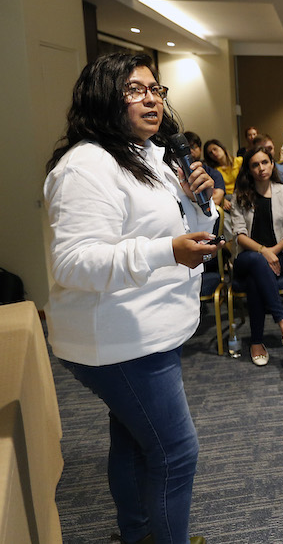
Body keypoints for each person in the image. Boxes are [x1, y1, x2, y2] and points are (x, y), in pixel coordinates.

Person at [44, 52, 220, 544]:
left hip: (150, 329)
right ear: (104, 97)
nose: (152, 100)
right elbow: (74, 262)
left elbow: (192, 236)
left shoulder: (148, 156)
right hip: (120, 339)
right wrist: (167, 251)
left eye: (156, 90)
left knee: (133, 439)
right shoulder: (87, 167)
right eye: (136, 90)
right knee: (175, 452)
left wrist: (198, 204)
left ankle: (138, 534)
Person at [230, 146, 283, 366]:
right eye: (255, 165)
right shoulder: (240, 195)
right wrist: (264, 252)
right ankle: (282, 320)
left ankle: (257, 342)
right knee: (255, 261)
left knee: (255, 278)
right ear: (249, 170)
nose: (261, 168)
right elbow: (240, 235)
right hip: (247, 256)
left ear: (272, 164)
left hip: (281, 255)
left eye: (265, 163)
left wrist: (273, 253)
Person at [183, 131, 225, 209]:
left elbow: (216, 200)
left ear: (200, 149)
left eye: (193, 147)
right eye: (187, 148)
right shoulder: (177, 172)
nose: (190, 151)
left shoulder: (214, 173)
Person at [203, 138, 241, 210]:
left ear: (222, 148)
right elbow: (216, 189)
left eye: (215, 149)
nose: (214, 153)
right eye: (210, 153)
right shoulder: (214, 171)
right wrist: (223, 199)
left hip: (241, 194)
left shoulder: (239, 161)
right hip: (227, 198)